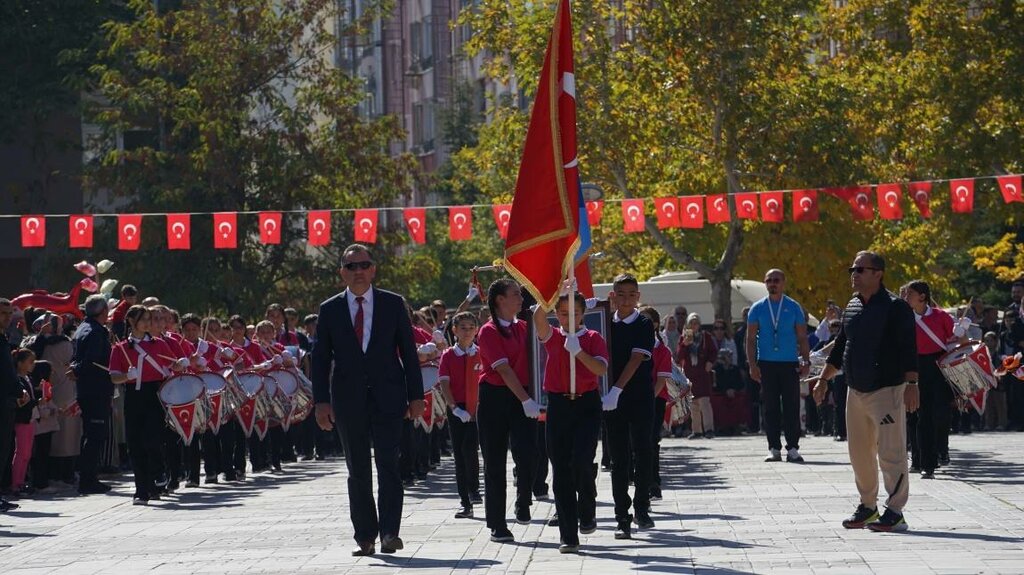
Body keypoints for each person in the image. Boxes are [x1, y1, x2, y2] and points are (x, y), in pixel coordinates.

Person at [312, 244, 424, 556]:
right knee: (357, 469)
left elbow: (409, 353)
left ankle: (390, 532)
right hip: (348, 401)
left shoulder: (392, 304)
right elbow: (320, 359)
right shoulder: (330, 309)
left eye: (364, 265)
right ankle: (365, 535)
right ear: (342, 273)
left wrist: (417, 396)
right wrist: (320, 402)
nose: (358, 271)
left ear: (373, 269)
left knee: (388, 464)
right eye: (351, 266)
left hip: (389, 396)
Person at [813, 251, 919, 532]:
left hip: (887, 389)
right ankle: (868, 507)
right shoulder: (852, 306)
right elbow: (840, 346)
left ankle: (895, 511)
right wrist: (823, 379)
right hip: (855, 389)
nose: (854, 274)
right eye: (853, 269)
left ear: (878, 273)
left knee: (890, 451)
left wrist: (912, 384)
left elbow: (909, 347)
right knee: (859, 452)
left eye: (860, 270)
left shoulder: (896, 307)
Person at [534, 291, 608, 553]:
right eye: (563, 313)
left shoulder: (593, 338)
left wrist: (579, 353)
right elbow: (538, 319)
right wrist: (552, 292)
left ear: (583, 314)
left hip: (586, 405)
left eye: (574, 312)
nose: (569, 318)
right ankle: (569, 534)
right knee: (561, 469)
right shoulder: (553, 336)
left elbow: (600, 369)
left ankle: (587, 507)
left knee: (582, 462)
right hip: (559, 405)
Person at [474, 278, 539, 543]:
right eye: (515, 295)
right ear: (500, 300)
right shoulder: (488, 331)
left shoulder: (525, 327)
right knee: (495, 462)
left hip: (522, 394)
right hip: (496, 398)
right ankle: (497, 524)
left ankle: (523, 500)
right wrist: (526, 400)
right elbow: (503, 369)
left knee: (529, 455)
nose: (521, 299)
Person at [109, 305, 187, 504]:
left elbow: (173, 365)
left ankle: (159, 471)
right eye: (143, 319)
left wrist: (181, 364)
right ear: (131, 321)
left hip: (155, 393)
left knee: (153, 440)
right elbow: (114, 377)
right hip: (134, 395)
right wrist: (127, 375)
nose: (147, 322)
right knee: (135, 444)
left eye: (148, 319)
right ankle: (142, 490)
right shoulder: (120, 348)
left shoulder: (159, 344)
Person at [603, 274, 656, 539]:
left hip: (638, 398)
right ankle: (621, 515)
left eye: (631, 294)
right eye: (620, 294)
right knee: (618, 459)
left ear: (638, 297)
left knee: (643, 453)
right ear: (612, 295)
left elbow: (637, 359)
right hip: (612, 402)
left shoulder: (644, 323)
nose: (625, 299)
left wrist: (616, 389)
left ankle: (642, 506)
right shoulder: (602, 324)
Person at [900, 280, 966, 479]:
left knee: (941, 413)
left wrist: (961, 332)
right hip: (915, 367)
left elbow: (959, 342)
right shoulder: (903, 318)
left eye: (909, 294)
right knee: (922, 416)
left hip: (939, 366)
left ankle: (940, 449)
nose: (905, 298)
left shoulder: (941, 316)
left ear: (922, 297)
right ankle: (927, 464)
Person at [746, 269, 811, 463]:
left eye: (776, 280)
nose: (772, 284)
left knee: (792, 406)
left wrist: (806, 361)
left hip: (789, 363)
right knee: (770, 407)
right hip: (766, 363)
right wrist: (752, 364)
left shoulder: (793, 307)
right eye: (769, 281)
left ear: (783, 283)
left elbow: (802, 336)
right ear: (765, 284)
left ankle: (793, 448)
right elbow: (750, 339)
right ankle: (774, 448)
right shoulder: (757, 308)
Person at [69, 294, 116, 495]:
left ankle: (88, 477)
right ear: (104, 311)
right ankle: (88, 479)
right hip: (96, 390)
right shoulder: (96, 332)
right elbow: (92, 360)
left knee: (90, 434)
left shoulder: (82, 329)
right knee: (95, 435)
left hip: (87, 390)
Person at [438, 311, 483, 519]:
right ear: (454, 330)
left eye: (471, 328)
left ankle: (474, 490)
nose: (467, 332)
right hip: (457, 408)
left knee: (471, 451)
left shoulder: (481, 353)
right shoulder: (448, 355)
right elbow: (445, 384)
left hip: (478, 408)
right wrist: (454, 408)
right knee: (460, 455)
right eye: (463, 328)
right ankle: (465, 501)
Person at [639, 306, 673, 501]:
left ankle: (653, 482)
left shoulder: (662, 350)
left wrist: (648, 398)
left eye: (648, 320)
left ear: (656, 324)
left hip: (655, 399)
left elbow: (661, 379)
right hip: (634, 399)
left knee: (651, 441)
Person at [679, 312, 716, 439]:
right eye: (692, 323)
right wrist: (685, 344)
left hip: (703, 373)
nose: (694, 325)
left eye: (696, 323)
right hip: (691, 374)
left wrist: (710, 362)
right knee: (693, 404)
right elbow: (679, 356)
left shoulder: (705, 336)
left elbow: (713, 351)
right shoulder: (686, 336)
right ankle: (697, 430)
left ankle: (709, 429)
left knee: (705, 402)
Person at [0, 299, 20, 512]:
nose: (7, 317)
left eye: (9, 313)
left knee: (5, 448)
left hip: (7, 400)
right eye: (3, 313)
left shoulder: (4, 338)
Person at [10, 348, 39, 494]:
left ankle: (22, 481)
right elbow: (23, 401)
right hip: (22, 419)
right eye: (30, 362)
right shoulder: (18, 379)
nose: (33, 365)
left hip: (30, 419)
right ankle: (16, 483)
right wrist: (36, 402)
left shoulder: (28, 378)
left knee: (27, 453)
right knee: (21, 452)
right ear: (20, 363)